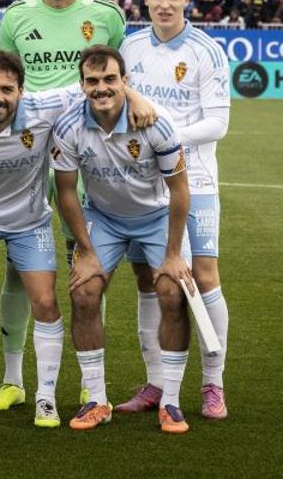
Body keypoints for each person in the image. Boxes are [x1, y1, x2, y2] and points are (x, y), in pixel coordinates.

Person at [0, 51, 158, 426]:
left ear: (22, 90)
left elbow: (99, 85)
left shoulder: (45, 106)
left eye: (7, 88)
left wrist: (134, 96)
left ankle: (45, 398)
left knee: (46, 301)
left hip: (29, 221)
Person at [0, 0, 129, 413]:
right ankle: (13, 380)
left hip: (90, 155)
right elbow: (5, 83)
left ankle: (92, 384)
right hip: (28, 154)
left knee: (89, 264)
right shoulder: (16, 17)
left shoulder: (106, 15)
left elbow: (121, 79)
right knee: (19, 269)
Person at [52, 45, 194, 435]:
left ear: (124, 82)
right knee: (83, 291)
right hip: (104, 219)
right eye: (93, 81)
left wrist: (173, 254)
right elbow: (65, 192)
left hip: (157, 217)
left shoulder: (157, 123)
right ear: (81, 85)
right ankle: (96, 399)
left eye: (110, 79)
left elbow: (180, 190)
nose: (101, 88)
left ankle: (171, 402)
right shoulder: (68, 127)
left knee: (171, 291)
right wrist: (85, 250)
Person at [117, 0, 231, 420]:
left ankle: (213, 384)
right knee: (151, 280)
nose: (165, 4)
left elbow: (218, 123)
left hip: (196, 181)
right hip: (143, 184)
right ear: (144, 0)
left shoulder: (207, 50)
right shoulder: (131, 47)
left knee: (202, 277)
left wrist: (166, 137)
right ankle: (157, 382)